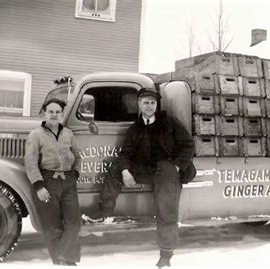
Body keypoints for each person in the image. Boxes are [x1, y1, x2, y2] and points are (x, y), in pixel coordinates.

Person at [84, 87, 195, 268]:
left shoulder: (169, 122)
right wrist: (126, 171)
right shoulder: (135, 128)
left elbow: (188, 145)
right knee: (115, 170)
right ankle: (105, 212)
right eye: (146, 102)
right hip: (145, 169)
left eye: (152, 103)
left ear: (156, 104)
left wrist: (176, 165)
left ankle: (166, 255)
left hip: (167, 168)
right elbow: (126, 153)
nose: (149, 106)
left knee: (166, 210)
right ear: (139, 104)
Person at [25, 98, 82, 266]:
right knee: (52, 225)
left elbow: (78, 156)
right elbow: (30, 162)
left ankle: (66, 257)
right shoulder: (36, 135)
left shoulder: (68, 134)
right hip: (48, 182)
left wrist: (75, 174)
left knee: (74, 222)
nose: (54, 115)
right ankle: (61, 262)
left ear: (62, 114)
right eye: (51, 111)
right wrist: (39, 186)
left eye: (58, 112)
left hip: (68, 181)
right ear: (45, 113)